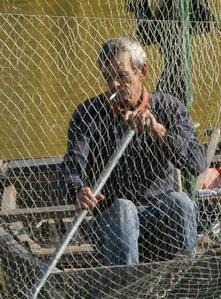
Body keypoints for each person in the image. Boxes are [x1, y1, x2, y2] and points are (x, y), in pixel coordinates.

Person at [60, 37, 206, 267]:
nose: (114, 84)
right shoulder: (88, 114)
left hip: (160, 215)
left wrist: (159, 131)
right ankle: (127, 293)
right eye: (108, 77)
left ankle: (182, 282)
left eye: (122, 76)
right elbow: (70, 167)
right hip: (111, 222)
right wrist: (77, 189)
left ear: (142, 72)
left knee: (182, 202)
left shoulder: (169, 107)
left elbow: (197, 164)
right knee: (124, 209)